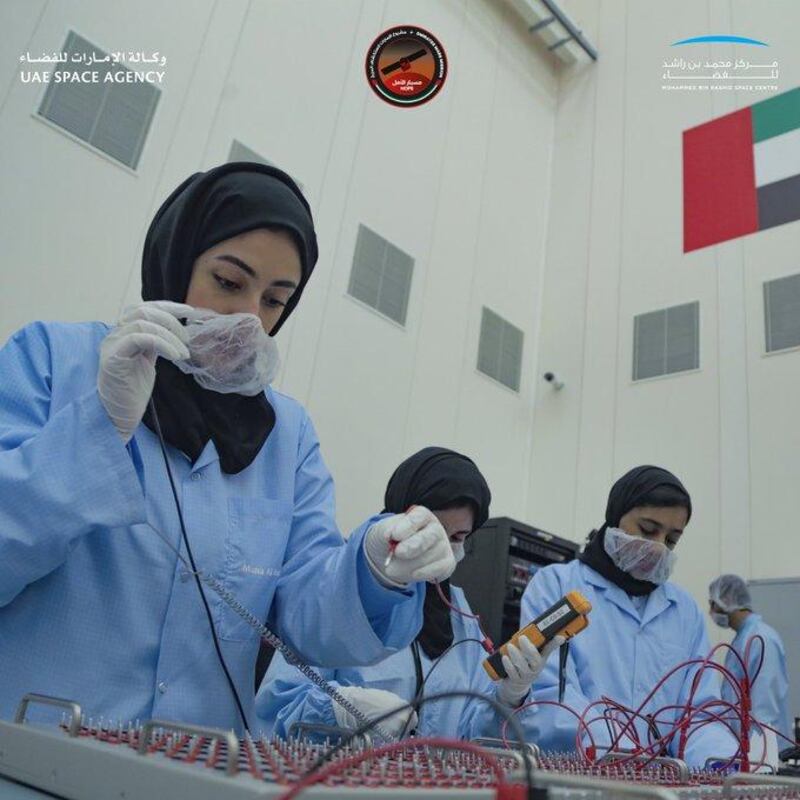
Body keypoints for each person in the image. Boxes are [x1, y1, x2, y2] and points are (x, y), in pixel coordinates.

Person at [0, 163, 456, 733]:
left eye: (274, 300)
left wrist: (376, 567)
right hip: (29, 761)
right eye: (228, 281)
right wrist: (98, 427)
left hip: (193, 771)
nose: (248, 318)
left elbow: (303, 607)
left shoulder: (286, 436)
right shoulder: (55, 360)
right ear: (176, 259)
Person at [256, 447, 562, 739]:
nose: (441, 548)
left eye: (457, 537)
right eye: (433, 532)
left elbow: (473, 735)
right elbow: (277, 708)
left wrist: (508, 698)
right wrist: (340, 710)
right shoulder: (342, 586)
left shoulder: (460, 614)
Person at [508, 465, 737, 766]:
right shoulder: (557, 586)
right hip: (578, 773)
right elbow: (553, 694)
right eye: (647, 529)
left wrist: (717, 758)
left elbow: (699, 710)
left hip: (659, 785)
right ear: (616, 516)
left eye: (671, 540)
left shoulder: (683, 610)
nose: (658, 548)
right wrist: (621, 754)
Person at [708, 574, 792, 744]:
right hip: (745, 747)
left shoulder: (761, 638)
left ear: (727, 599)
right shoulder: (742, 639)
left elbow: (764, 708)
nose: (711, 611)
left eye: (713, 603)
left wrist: (757, 752)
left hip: (764, 752)